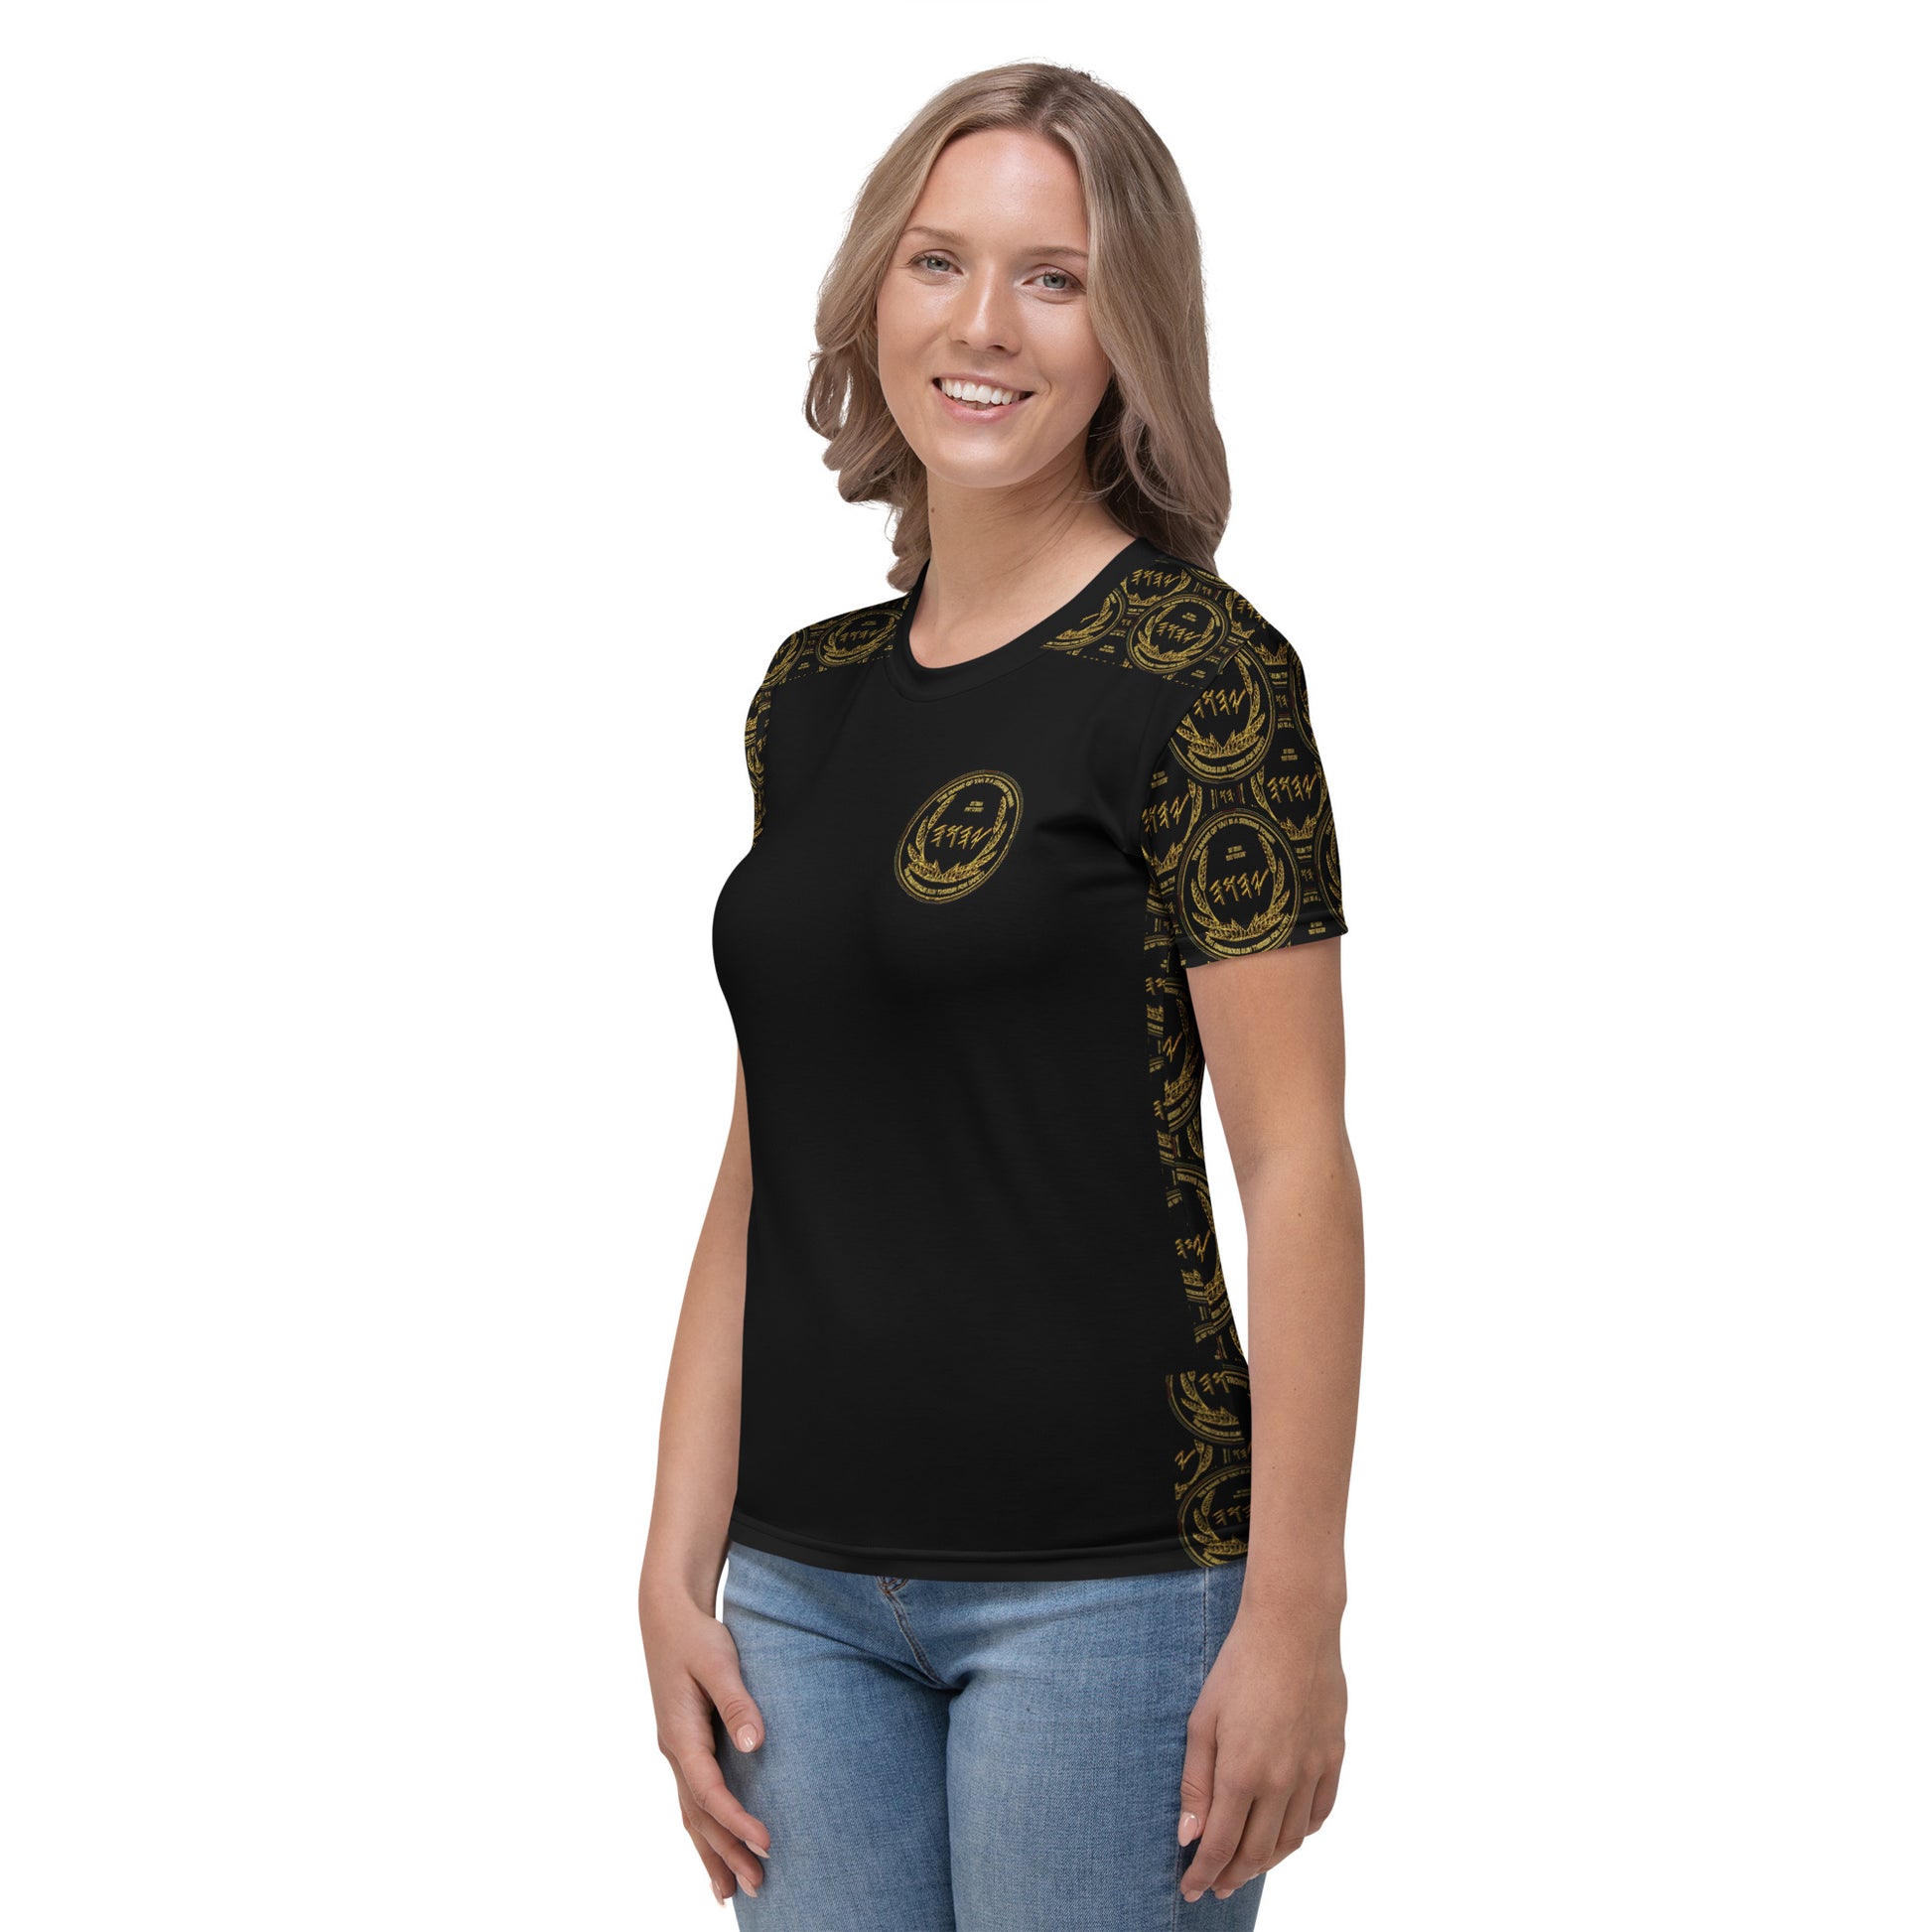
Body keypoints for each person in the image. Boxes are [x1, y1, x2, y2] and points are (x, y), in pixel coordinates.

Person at [638, 61, 1364, 1931]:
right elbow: (764, 1167)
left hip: (1111, 1589)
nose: (982, 324)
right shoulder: (807, 698)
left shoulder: (1200, 676)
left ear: (1131, 332)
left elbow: (1294, 1160)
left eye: (1054, 278)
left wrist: (1294, 1608)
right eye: (938, 260)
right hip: (799, 1600)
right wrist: (672, 1557)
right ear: (873, 291)